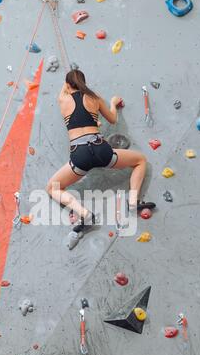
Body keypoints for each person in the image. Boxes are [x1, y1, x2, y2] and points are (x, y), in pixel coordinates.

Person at [46, 70, 155, 233]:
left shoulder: (63, 99)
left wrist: (69, 83)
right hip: (101, 149)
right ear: (84, 83)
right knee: (140, 160)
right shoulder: (94, 97)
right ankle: (133, 201)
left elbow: (65, 88)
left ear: (68, 85)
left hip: (80, 155)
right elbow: (112, 118)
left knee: (52, 188)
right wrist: (113, 102)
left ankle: (85, 214)